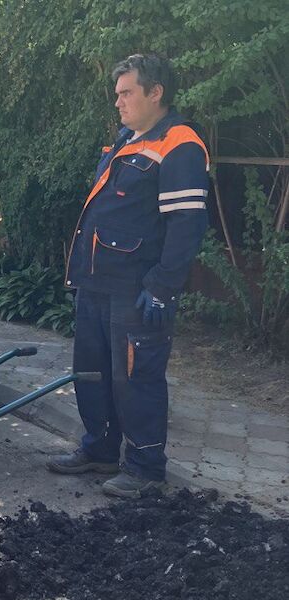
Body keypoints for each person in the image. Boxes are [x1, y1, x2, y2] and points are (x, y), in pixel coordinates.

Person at [47, 54, 209, 498]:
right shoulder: (127, 139)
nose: (117, 102)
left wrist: (162, 287)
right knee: (92, 373)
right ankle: (100, 449)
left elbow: (187, 226)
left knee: (136, 379)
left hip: (137, 291)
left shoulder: (180, 145)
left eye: (126, 93)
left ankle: (144, 468)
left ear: (155, 92)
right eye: (117, 94)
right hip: (97, 283)